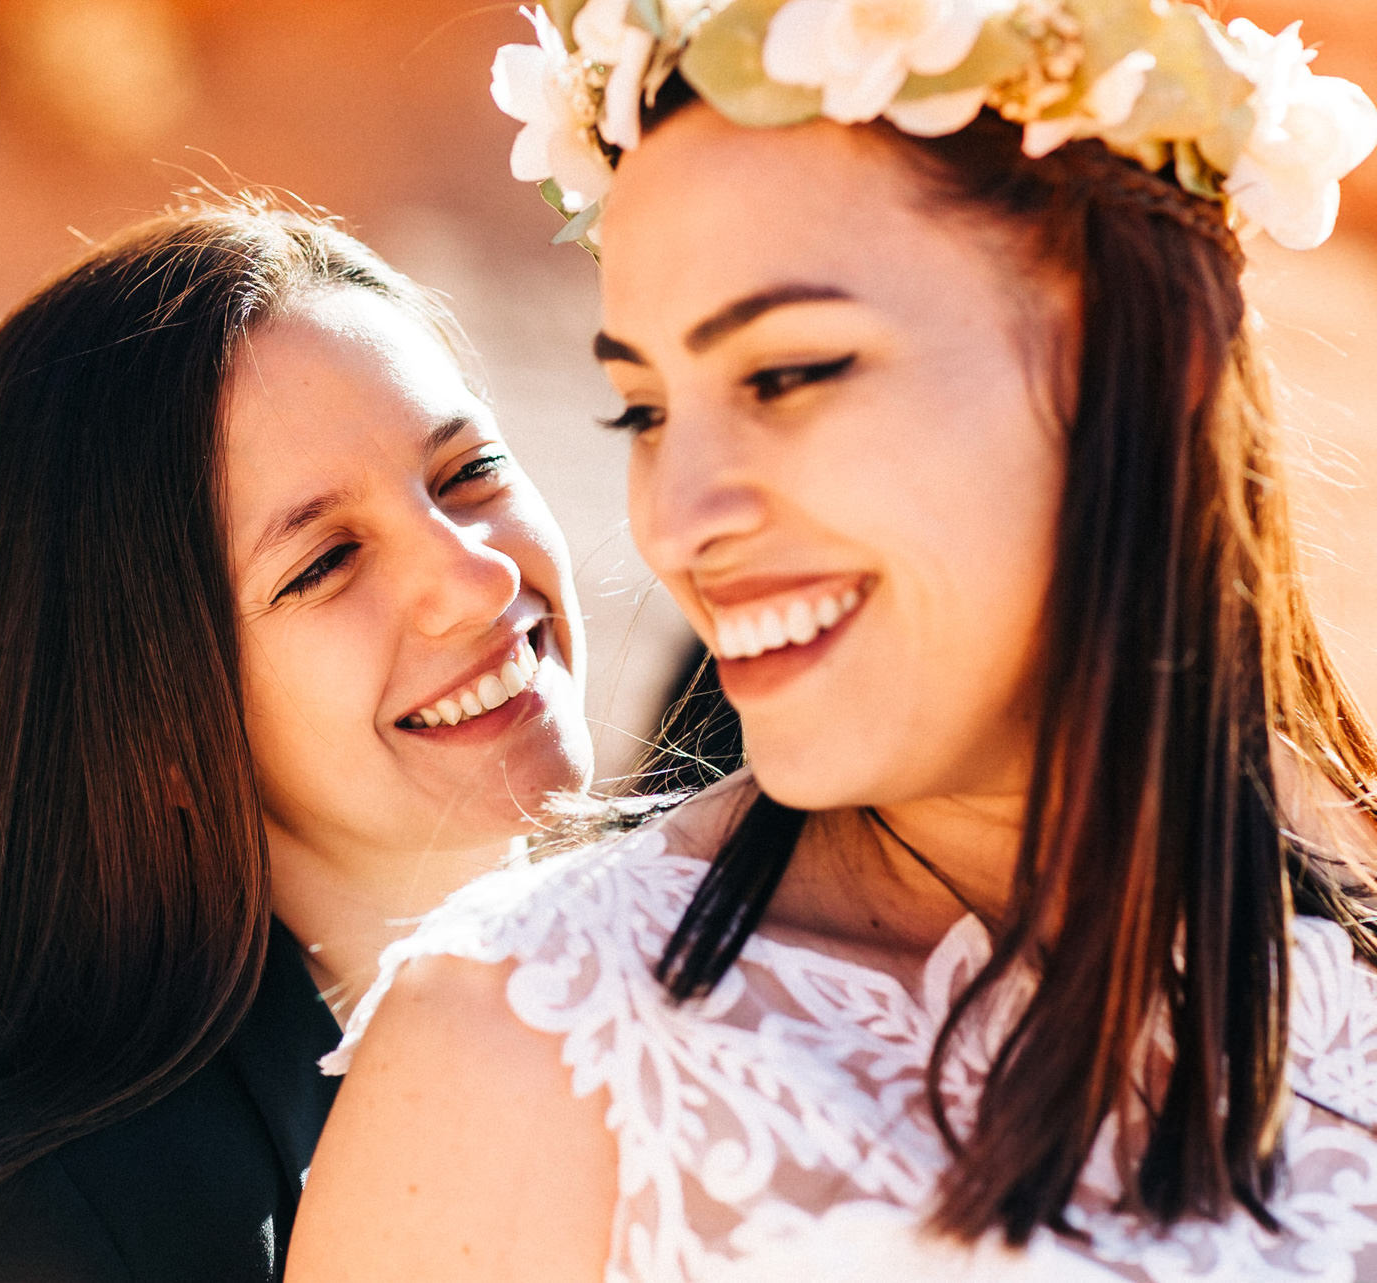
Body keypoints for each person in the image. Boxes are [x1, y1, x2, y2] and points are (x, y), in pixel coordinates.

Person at [288, 3, 1377, 1279]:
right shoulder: (523, 1043)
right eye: (643, 408)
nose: (676, 524)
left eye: (789, 375)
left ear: (1151, 356)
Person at [0, 201, 592, 1283]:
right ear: (152, 719)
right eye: (324, 561)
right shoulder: (58, 1238)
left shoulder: (694, 992)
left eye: (468, 473)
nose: (477, 576)